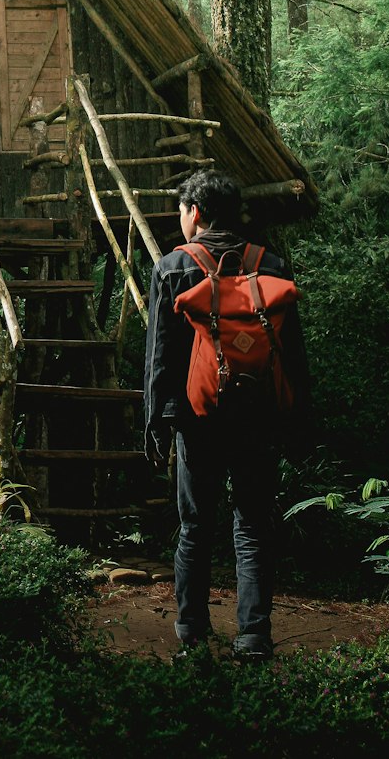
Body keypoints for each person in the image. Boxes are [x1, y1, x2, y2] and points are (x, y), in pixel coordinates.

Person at [143, 169, 310, 660]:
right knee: (254, 525)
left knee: (196, 526)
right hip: (259, 415)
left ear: (195, 213)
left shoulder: (174, 266)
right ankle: (254, 635)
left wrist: (157, 420)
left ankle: (193, 632)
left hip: (199, 418)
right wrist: (299, 423)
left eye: (181, 210)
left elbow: (160, 357)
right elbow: (293, 356)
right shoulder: (272, 265)